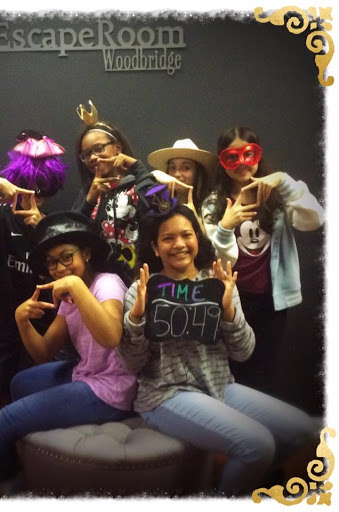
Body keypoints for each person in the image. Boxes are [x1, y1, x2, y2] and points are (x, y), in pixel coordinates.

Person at [118, 200, 317, 497]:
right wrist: (136, 318)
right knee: (258, 444)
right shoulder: (142, 290)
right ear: (156, 248)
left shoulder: (218, 283)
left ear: (197, 239)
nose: (179, 244)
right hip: (165, 394)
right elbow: (131, 363)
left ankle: (247, 486)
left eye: (186, 235)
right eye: (168, 238)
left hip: (220, 385)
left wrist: (228, 312)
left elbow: (244, 352)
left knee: (303, 429)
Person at [0, 211, 137, 492]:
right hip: (88, 372)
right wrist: (22, 320)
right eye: (52, 262)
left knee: (8, 418)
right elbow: (43, 352)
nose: (59, 268)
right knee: (21, 382)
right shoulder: (71, 294)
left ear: (86, 253)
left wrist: (75, 287)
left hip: (113, 389)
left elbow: (110, 336)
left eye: (66, 257)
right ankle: (23, 464)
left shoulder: (107, 283)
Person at [0, 129, 74, 419]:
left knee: (32, 396)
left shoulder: (53, 225)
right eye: (29, 186)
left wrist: (41, 227)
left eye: (43, 189)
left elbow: (66, 270)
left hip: (41, 326)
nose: (36, 195)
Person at [201, 126, 325, 394]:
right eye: (231, 157)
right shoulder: (213, 204)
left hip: (271, 300)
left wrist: (283, 180)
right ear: (222, 162)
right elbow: (215, 261)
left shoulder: (277, 196)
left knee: (263, 373)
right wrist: (225, 227)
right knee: (229, 372)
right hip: (230, 301)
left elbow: (315, 219)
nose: (242, 163)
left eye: (249, 154)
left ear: (258, 155)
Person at [72, 101, 157, 286]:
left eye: (99, 149)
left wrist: (138, 169)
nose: (93, 157)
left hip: (142, 282)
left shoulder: (139, 182)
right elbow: (71, 238)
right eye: (86, 154)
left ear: (117, 148)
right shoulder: (87, 193)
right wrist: (89, 201)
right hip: (103, 286)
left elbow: (164, 209)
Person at [147, 138, 216, 228]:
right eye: (172, 168)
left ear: (197, 173)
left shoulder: (211, 204)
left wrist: (193, 216)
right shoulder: (160, 202)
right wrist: (155, 175)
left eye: (186, 168)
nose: (177, 174)